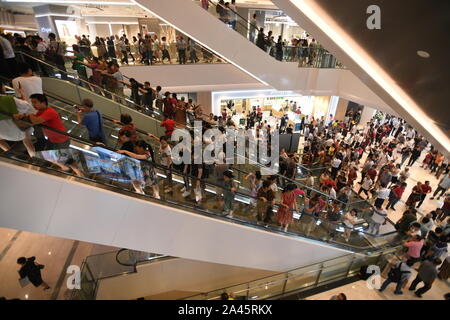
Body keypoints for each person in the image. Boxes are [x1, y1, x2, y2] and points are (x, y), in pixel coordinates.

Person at [0, 83, 36, 157]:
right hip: (18, 131)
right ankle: (33, 157)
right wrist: (22, 94)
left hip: (2, 134)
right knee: (27, 140)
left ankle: (12, 155)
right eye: (3, 86)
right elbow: (26, 106)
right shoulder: (9, 98)